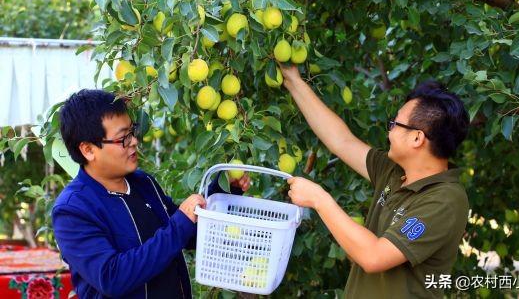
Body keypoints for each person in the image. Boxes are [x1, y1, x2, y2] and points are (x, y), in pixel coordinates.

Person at [280, 65, 470, 298]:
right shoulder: (394, 171)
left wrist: (320, 199)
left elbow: (374, 256)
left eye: (395, 124)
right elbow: (341, 142)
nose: (389, 131)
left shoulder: (445, 200)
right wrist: (293, 81)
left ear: (417, 137)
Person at [52, 89, 250, 298]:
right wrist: (179, 224)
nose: (134, 142)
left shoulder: (143, 183)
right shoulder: (73, 210)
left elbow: (188, 234)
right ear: (88, 150)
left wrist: (225, 189)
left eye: (132, 131)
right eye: (123, 138)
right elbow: (112, 277)